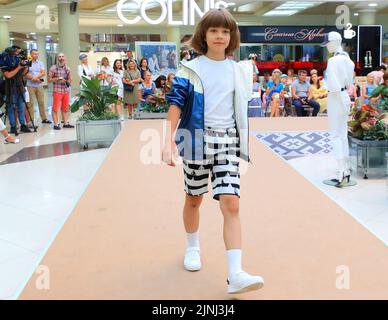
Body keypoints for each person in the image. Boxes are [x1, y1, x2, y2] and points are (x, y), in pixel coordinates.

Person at [163, 8, 264, 294]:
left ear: (231, 36)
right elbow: (175, 103)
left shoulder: (240, 70)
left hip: (228, 143)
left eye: (225, 31)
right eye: (214, 31)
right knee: (193, 198)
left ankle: (236, 273)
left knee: (231, 202)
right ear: (203, 35)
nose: (220, 36)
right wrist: (168, 140)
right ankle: (192, 247)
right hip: (195, 140)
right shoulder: (190, 68)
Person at [320, 31, 355, 187]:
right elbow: (349, 83)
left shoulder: (333, 61)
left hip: (336, 97)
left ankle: (341, 170)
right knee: (342, 133)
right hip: (345, 97)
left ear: (334, 42)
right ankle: (345, 169)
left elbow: (332, 85)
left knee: (335, 135)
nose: (326, 46)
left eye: (327, 43)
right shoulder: (348, 60)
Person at [2, 45, 31, 134]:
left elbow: (23, 74)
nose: (17, 54)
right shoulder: (5, 61)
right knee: (11, 108)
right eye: (16, 52)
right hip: (10, 88)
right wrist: (18, 67)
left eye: (18, 52)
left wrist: (25, 66)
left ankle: (23, 125)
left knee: (21, 107)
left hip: (20, 87)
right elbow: (8, 75)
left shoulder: (18, 60)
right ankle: (13, 127)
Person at [25, 49, 51, 125]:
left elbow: (43, 72)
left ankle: (44, 119)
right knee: (30, 104)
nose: (36, 55)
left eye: (37, 54)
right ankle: (31, 121)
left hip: (39, 85)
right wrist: (33, 79)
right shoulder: (27, 63)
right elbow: (25, 73)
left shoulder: (40, 63)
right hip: (30, 86)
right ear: (31, 55)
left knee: (41, 102)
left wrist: (35, 78)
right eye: (34, 54)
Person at [48, 52, 73, 130]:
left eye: (62, 56)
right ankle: (56, 124)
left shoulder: (67, 68)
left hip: (66, 91)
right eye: (59, 57)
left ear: (65, 58)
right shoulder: (53, 68)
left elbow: (70, 78)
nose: (61, 58)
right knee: (55, 108)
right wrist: (58, 79)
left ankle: (65, 123)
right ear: (57, 58)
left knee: (65, 108)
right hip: (57, 90)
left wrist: (67, 81)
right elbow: (49, 80)